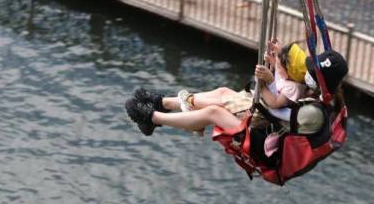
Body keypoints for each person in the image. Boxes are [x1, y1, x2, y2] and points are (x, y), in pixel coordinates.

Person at [124, 49, 348, 138]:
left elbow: (276, 111)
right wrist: (278, 62)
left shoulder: (313, 113)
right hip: (263, 121)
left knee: (214, 111)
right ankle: (162, 102)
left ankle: (153, 118)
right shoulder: (316, 94)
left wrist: (267, 83)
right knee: (223, 92)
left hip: (260, 135)